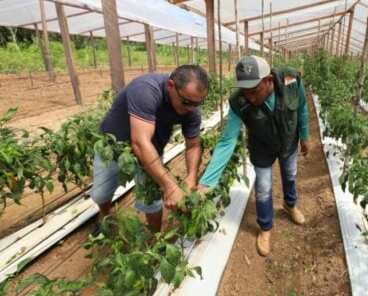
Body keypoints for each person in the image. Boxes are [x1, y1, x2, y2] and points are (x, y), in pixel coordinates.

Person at [197, 55, 310, 256]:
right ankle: (266, 228)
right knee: (264, 188)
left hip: (288, 142)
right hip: (262, 148)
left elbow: (301, 107)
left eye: (255, 91)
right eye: (245, 91)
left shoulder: (291, 80)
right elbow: (227, 140)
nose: (250, 97)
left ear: (268, 80)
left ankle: (290, 205)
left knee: (290, 174)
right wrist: (207, 182)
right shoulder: (239, 102)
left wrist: (305, 136)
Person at [90, 64, 209, 233]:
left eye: (198, 103)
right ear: (170, 86)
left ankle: (155, 237)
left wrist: (191, 177)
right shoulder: (145, 89)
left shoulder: (192, 109)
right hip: (113, 148)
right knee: (101, 193)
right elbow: (140, 142)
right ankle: (104, 214)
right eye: (187, 102)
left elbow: (193, 145)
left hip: (151, 150)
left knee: (151, 200)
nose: (191, 108)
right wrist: (170, 186)